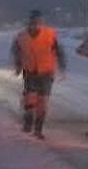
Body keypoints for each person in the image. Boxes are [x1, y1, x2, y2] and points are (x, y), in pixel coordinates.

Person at [11, 10, 66, 138]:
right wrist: (18, 66)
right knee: (30, 99)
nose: (36, 25)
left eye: (38, 22)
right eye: (33, 22)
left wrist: (62, 66)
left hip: (46, 73)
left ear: (41, 22)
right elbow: (17, 52)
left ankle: (38, 129)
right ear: (29, 22)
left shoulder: (50, 34)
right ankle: (28, 121)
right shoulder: (21, 37)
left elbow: (59, 51)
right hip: (30, 72)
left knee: (43, 102)